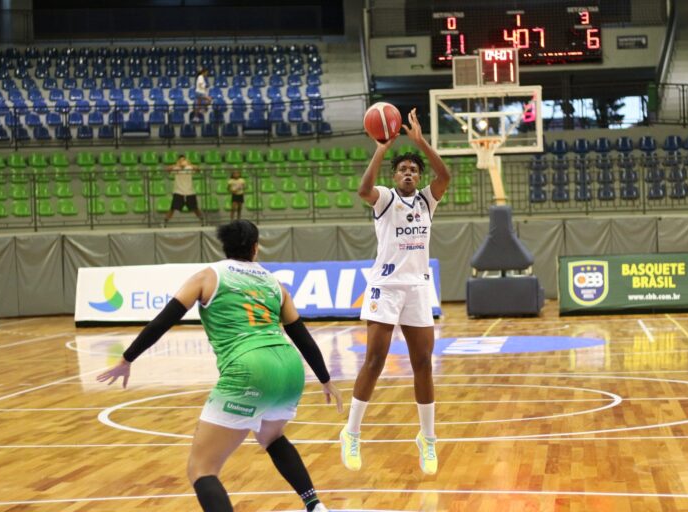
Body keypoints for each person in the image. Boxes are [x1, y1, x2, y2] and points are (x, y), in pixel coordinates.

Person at [98, 219, 342, 512]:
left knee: (202, 469)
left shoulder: (207, 276)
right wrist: (325, 378)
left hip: (250, 367)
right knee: (271, 436)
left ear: (224, 247)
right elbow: (299, 333)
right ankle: (314, 505)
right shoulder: (274, 282)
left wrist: (127, 358)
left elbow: (164, 319)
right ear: (255, 248)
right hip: (290, 367)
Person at [340, 108, 450, 475]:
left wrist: (421, 143)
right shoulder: (386, 198)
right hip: (385, 287)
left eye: (414, 170)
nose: (409, 173)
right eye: (403, 169)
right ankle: (352, 432)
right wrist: (383, 148)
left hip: (417, 289)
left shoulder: (427, 201)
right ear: (395, 175)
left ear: (419, 178)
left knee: (423, 365)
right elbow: (362, 190)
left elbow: (446, 175)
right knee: (374, 359)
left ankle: (428, 439)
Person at [164, 154, 204, 226]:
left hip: (190, 192)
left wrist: (189, 164)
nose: (182, 161)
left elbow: (198, 169)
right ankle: (165, 223)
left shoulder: (189, 167)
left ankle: (202, 221)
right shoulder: (176, 168)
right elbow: (167, 169)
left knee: (195, 208)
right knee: (172, 208)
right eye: (181, 160)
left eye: (183, 160)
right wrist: (176, 165)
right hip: (178, 192)